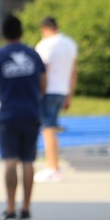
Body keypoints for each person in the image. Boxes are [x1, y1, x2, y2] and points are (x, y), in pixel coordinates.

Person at [0, 14, 47, 220]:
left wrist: (1, 95)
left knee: (10, 161)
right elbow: (43, 86)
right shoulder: (33, 55)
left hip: (8, 115)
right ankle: (26, 209)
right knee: (28, 161)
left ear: (3, 34)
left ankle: (10, 210)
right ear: (21, 32)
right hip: (31, 113)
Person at [34, 16, 78, 182]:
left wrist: (37, 90)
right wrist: (69, 94)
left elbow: (42, 69)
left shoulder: (46, 44)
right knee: (51, 127)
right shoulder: (70, 43)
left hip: (48, 90)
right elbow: (73, 71)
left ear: (44, 29)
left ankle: (53, 168)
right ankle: (52, 165)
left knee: (48, 128)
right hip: (62, 90)